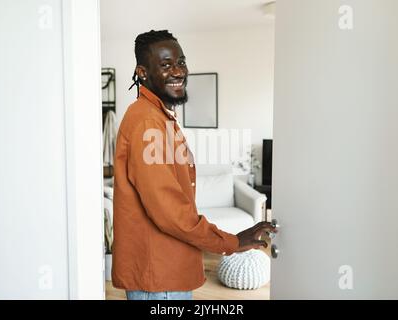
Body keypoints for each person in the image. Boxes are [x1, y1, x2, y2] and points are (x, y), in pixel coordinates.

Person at [112, 30, 277, 301]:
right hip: (160, 278)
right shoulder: (147, 123)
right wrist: (233, 242)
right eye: (165, 65)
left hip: (166, 272)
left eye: (181, 62)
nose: (178, 71)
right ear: (142, 72)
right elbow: (170, 212)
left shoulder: (158, 117)